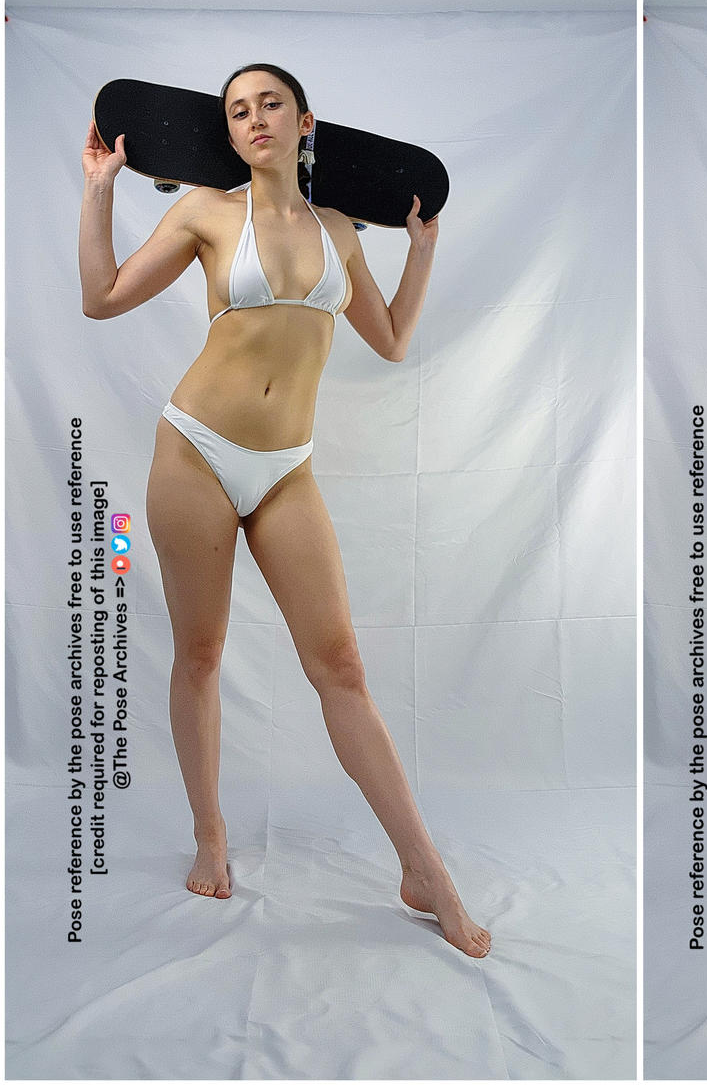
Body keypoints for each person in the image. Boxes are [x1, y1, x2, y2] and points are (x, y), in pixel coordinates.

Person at [79, 64, 491, 956]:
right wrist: (99, 191)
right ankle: (211, 834)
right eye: (238, 110)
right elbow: (101, 298)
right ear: (226, 134)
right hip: (195, 451)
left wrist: (420, 250)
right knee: (201, 652)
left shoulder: (340, 229)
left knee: (340, 664)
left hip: (286, 469)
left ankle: (424, 869)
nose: (255, 119)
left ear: (306, 122)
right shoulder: (203, 213)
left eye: (271, 104)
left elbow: (388, 341)